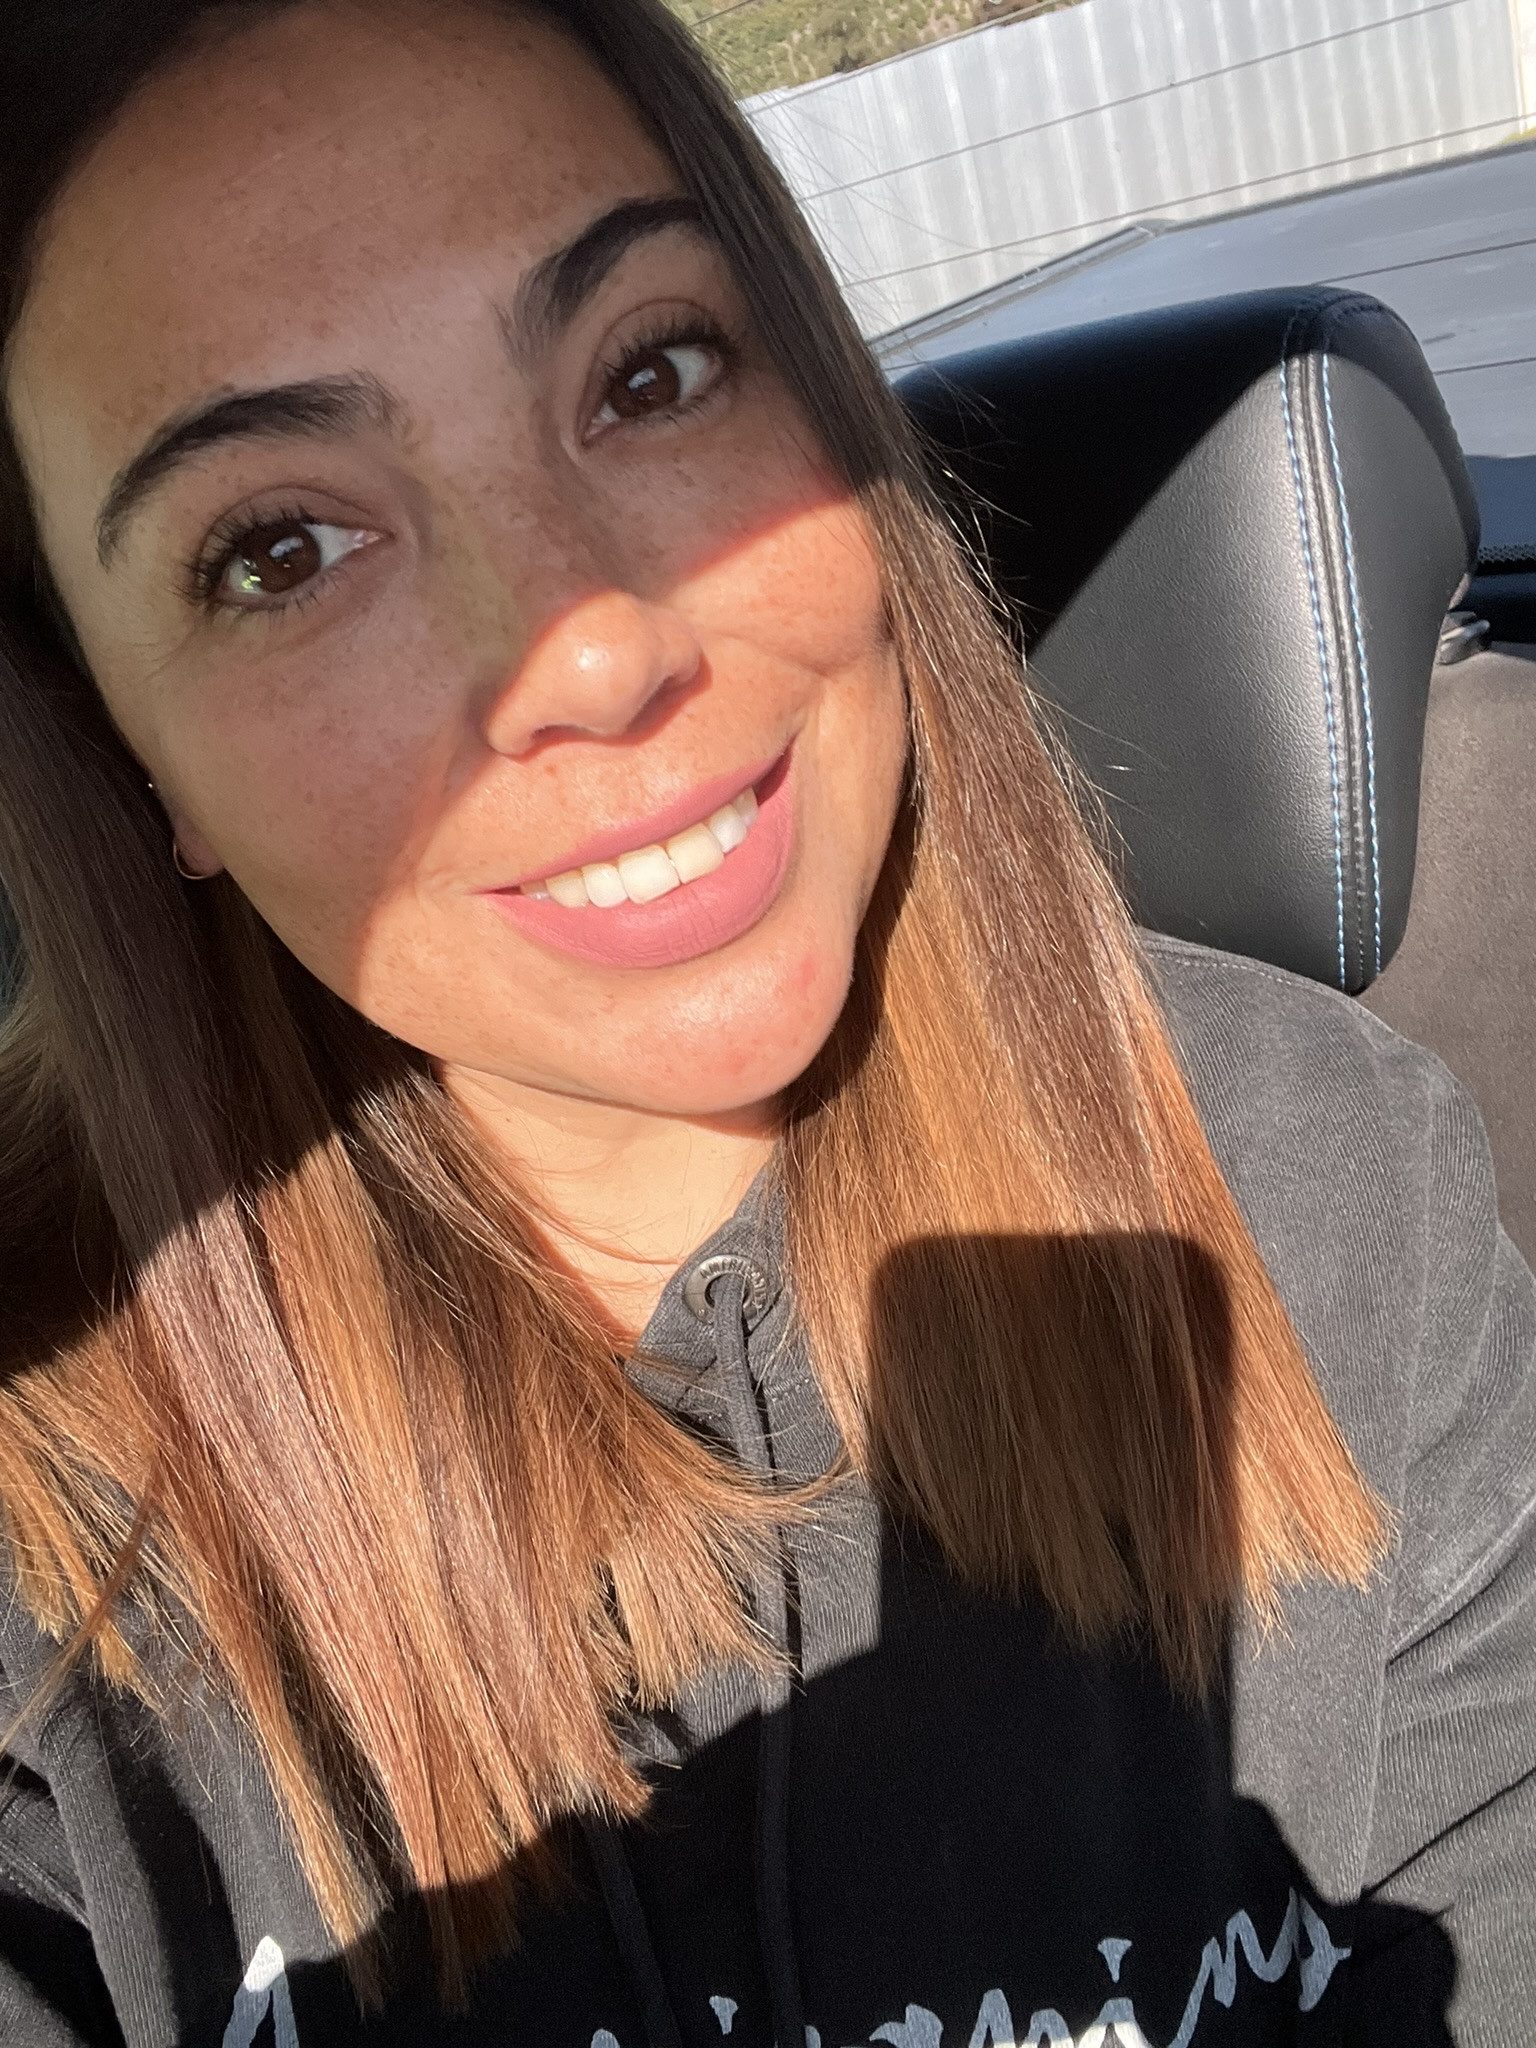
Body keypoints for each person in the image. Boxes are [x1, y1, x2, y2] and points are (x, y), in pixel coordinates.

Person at [0, 1, 1530, 2042]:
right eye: (281, 547)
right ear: (130, 750)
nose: (596, 647)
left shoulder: (1339, 1182)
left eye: (653, 371)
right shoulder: (40, 1523)